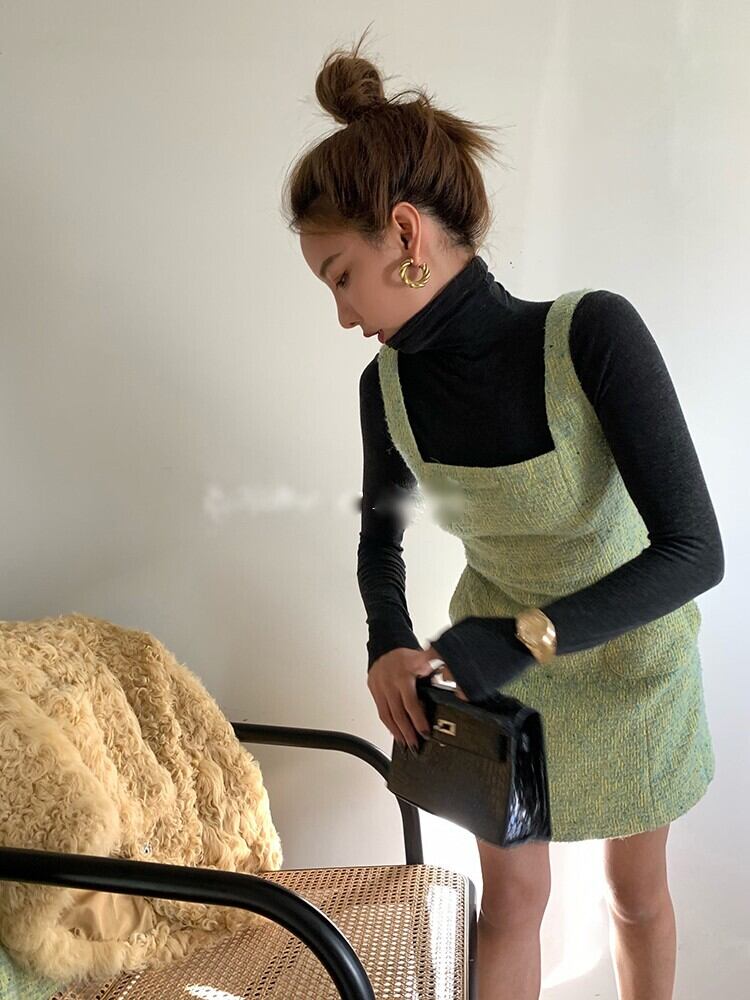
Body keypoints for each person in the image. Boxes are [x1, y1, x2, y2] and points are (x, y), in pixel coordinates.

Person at [282, 26, 725, 1000]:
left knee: (634, 896)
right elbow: (379, 542)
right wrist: (387, 644)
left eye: (340, 275)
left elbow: (696, 550)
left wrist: (525, 636)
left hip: (626, 658)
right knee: (513, 901)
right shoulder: (386, 389)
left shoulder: (591, 336)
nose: (344, 313)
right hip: (501, 668)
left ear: (405, 236)